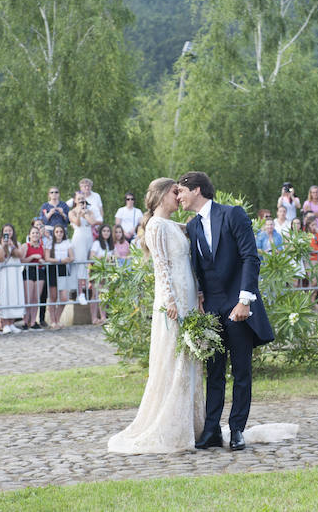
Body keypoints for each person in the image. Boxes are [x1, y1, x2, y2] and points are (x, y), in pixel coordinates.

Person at [177, 171, 277, 451]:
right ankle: (211, 431)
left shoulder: (232, 214)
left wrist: (245, 300)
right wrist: (199, 296)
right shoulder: (193, 226)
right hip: (211, 307)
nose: (179, 197)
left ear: (196, 189)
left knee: (242, 370)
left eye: (181, 191)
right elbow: (199, 267)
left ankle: (236, 430)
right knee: (215, 370)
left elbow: (250, 257)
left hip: (237, 304)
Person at [108, 178, 205, 453]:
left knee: (188, 355)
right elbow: (161, 266)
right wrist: (170, 301)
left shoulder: (174, 225)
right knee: (174, 354)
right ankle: (171, 424)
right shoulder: (155, 226)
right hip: (172, 299)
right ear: (162, 195)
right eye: (175, 192)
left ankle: (193, 423)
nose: (178, 197)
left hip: (188, 293)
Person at [69, 191, 100, 306]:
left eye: (83, 199)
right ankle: (80, 292)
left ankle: (89, 287)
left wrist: (86, 213)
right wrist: (79, 213)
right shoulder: (71, 212)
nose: (82, 201)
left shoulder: (89, 210)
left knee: (89, 263)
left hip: (89, 237)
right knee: (80, 264)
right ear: (75, 200)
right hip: (79, 238)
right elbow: (77, 223)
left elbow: (93, 222)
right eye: (79, 199)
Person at [0, 224, 25, 333]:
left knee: (14, 296)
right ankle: (4, 323)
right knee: (4, 297)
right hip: (4, 273)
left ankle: (12, 323)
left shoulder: (17, 244)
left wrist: (12, 246)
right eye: (6, 230)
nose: (8, 232)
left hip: (15, 273)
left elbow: (20, 255)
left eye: (10, 230)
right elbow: (1, 258)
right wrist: (4, 246)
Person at [44, 225, 73, 329]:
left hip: (63, 270)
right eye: (57, 232)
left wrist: (67, 260)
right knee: (53, 297)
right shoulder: (49, 243)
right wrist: (60, 260)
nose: (59, 233)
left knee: (64, 297)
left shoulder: (67, 242)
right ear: (54, 233)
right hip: (53, 269)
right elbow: (47, 257)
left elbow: (71, 256)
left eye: (61, 231)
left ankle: (57, 318)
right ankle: (53, 321)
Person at [21, 226, 45, 330]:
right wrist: (32, 257)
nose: (35, 235)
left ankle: (33, 321)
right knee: (28, 297)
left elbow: (45, 259)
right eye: (33, 233)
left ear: (40, 235)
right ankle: (25, 321)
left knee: (36, 298)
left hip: (39, 271)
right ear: (29, 235)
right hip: (29, 271)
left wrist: (42, 261)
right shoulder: (25, 246)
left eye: (37, 233)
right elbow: (22, 260)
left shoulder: (42, 247)